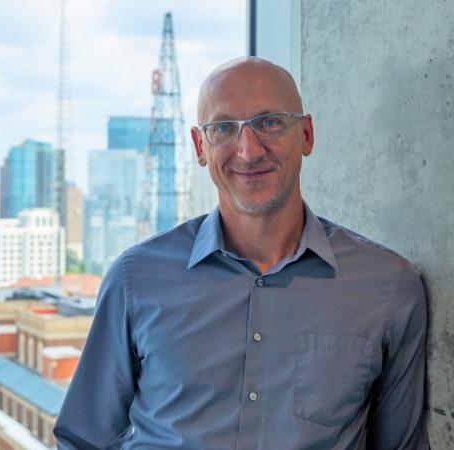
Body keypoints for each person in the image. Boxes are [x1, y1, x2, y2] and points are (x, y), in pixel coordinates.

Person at [53, 57, 429, 449]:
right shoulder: (135, 280)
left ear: (306, 134)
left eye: (270, 122)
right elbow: (82, 440)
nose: (248, 151)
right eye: (224, 128)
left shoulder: (388, 289)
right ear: (200, 147)